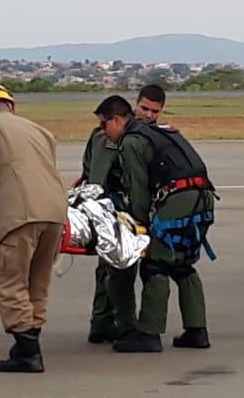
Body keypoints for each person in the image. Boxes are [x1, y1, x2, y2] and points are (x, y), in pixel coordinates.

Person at [95, 95, 216, 353]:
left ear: (116, 120)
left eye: (104, 125)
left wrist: (139, 226)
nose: (105, 133)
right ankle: (197, 331)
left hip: (177, 199)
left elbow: (138, 191)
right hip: (203, 197)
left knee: (155, 264)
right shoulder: (161, 131)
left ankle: (148, 334)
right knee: (182, 264)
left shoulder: (131, 142)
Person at [0, 83, 67, 373]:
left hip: (19, 214)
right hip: (55, 213)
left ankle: (27, 351)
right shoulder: (41, 131)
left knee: (11, 280)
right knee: (38, 280)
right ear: (13, 106)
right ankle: (29, 338)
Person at [80, 84, 168, 344]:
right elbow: (97, 178)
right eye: (144, 108)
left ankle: (103, 322)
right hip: (115, 208)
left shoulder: (141, 135)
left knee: (109, 265)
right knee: (118, 267)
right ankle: (117, 324)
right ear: (134, 106)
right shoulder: (109, 137)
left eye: (155, 111)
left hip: (124, 208)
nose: (149, 115)